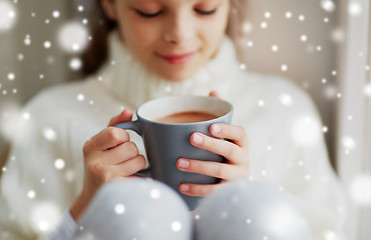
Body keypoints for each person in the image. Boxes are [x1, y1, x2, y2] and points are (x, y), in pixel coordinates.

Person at [0, 0, 347, 239]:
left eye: (205, 8)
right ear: (109, 4)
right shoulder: (50, 117)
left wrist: (248, 202)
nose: (179, 33)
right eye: (150, 11)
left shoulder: (284, 110)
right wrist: (84, 212)